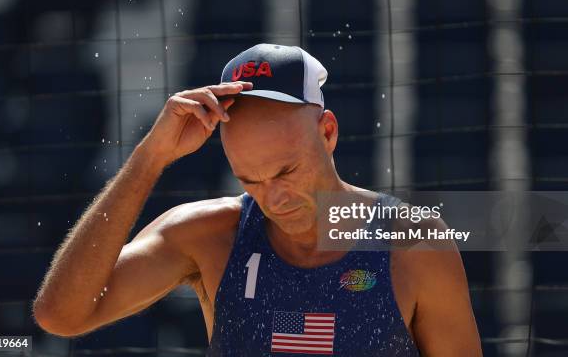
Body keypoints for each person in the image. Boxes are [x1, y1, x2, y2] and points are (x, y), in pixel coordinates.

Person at [33, 44, 482, 356]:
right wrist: (149, 159)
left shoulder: (413, 243)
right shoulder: (210, 235)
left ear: (327, 133)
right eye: (251, 180)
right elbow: (61, 315)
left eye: (286, 171)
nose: (274, 197)